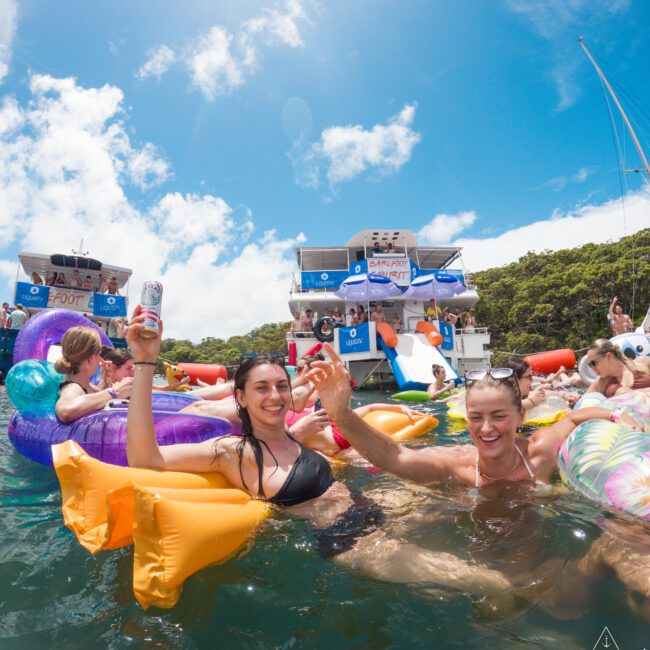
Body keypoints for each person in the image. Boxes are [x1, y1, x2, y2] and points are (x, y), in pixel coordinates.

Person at [126, 308, 519, 597]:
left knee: (494, 532)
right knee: (492, 583)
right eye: (261, 388)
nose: (276, 396)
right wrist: (145, 361)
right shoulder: (233, 451)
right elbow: (148, 458)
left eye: (281, 386)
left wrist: (339, 405)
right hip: (353, 542)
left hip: (377, 509)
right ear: (240, 398)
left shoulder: (295, 436)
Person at [54, 326, 132, 422]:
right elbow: (65, 411)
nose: (100, 359)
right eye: (99, 353)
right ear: (91, 358)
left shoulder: (87, 385)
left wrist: (107, 381)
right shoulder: (73, 387)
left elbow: (99, 399)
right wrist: (114, 392)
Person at [585, 338, 650, 397]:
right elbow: (583, 401)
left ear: (608, 356)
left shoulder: (643, 362)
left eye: (594, 363)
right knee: (622, 391)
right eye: (590, 365)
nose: (592, 369)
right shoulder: (600, 382)